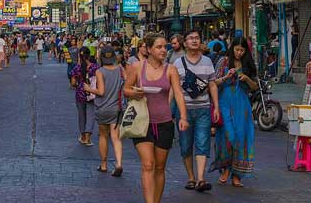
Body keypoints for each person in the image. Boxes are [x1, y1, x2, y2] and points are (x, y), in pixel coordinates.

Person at [123, 33, 188, 203]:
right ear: (149, 49)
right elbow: (126, 89)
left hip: (164, 123)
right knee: (148, 165)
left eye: (165, 46)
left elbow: (179, 94)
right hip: (142, 123)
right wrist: (135, 93)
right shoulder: (138, 67)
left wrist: (183, 117)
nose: (163, 50)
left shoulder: (170, 69)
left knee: (159, 167)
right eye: (159, 47)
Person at [174, 30, 219, 192]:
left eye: (197, 38)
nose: (194, 41)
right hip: (184, 110)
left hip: (203, 109)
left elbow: (212, 84)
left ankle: (200, 178)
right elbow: (175, 88)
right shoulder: (178, 63)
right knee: (186, 145)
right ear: (184, 43)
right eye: (191, 38)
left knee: (202, 142)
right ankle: (191, 177)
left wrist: (216, 106)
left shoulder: (207, 61)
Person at [211, 36, 257, 188]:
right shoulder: (224, 61)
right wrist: (226, 76)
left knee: (241, 138)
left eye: (242, 50)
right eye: (237, 50)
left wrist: (246, 79)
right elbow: (214, 82)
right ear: (232, 49)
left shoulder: (248, 64)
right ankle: (225, 169)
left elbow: (255, 87)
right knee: (228, 136)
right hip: (225, 103)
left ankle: (237, 175)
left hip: (242, 105)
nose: (239, 53)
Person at [85, 45, 125, 176]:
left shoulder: (100, 71)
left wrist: (88, 88)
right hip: (117, 108)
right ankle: (119, 163)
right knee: (116, 137)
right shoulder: (120, 69)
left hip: (103, 108)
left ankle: (104, 164)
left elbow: (101, 91)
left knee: (103, 136)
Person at [70, 46, 98, 146]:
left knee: (82, 116)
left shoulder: (77, 68)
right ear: (89, 55)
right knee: (91, 116)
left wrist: (79, 85)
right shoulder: (95, 67)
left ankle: (82, 136)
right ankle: (88, 138)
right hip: (92, 93)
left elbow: (73, 83)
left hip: (80, 94)